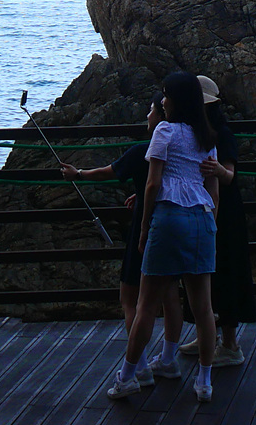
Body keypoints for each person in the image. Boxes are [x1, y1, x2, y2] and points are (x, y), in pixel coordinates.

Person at [103, 71, 220, 403]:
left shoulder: (165, 131)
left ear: (177, 100)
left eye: (166, 95)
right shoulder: (207, 137)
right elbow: (213, 190)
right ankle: (204, 382)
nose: (163, 101)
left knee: (145, 305)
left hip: (169, 218)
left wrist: (144, 228)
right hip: (202, 219)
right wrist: (211, 224)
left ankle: (127, 377)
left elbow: (153, 184)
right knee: (203, 308)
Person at [59, 100, 184, 383]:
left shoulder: (142, 152)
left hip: (147, 228)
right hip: (174, 225)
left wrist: (77, 174)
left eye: (151, 110)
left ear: (162, 116)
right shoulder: (179, 151)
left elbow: (109, 172)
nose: (147, 115)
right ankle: (168, 360)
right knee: (170, 295)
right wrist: (142, 192)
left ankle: (140, 366)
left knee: (130, 299)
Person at [179, 75, 256, 367]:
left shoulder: (222, 134)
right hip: (200, 206)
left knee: (225, 271)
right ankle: (206, 335)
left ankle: (230, 343)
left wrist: (216, 170)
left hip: (225, 212)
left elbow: (230, 175)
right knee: (202, 272)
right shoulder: (192, 132)